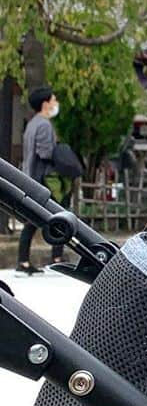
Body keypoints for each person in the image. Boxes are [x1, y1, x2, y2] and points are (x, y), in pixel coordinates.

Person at [15, 86, 61, 275]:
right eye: (53, 100)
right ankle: (56, 259)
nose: (56, 104)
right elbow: (45, 152)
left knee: (33, 220)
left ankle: (24, 261)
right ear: (45, 104)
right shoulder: (43, 124)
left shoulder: (32, 123)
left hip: (31, 176)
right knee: (59, 217)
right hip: (43, 179)